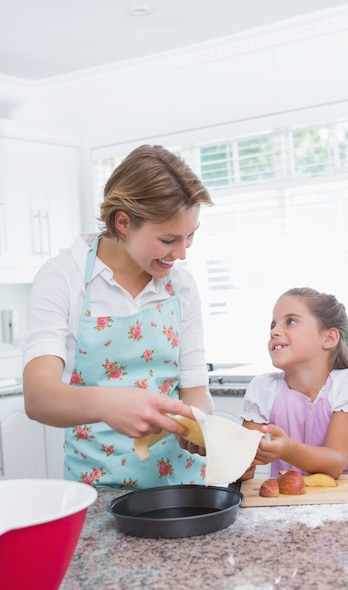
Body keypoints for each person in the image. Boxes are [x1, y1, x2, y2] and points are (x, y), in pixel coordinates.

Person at [22, 144, 214, 489]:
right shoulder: (62, 278)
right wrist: (107, 403)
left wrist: (200, 426)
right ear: (123, 222)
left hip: (183, 488)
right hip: (98, 494)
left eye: (190, 237)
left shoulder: (181, 287)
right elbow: (38, 396)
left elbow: (196, 391)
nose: (182, 253)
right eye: (169, 239)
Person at [241, 287, 348, 479]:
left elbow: (335, 462)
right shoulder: (263, 388)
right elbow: (243, 464)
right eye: (272, 325)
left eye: (291, 321)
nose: (274, 332)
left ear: (329, 338)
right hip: (289, 503)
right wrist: (221, 450)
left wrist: (287, 449)